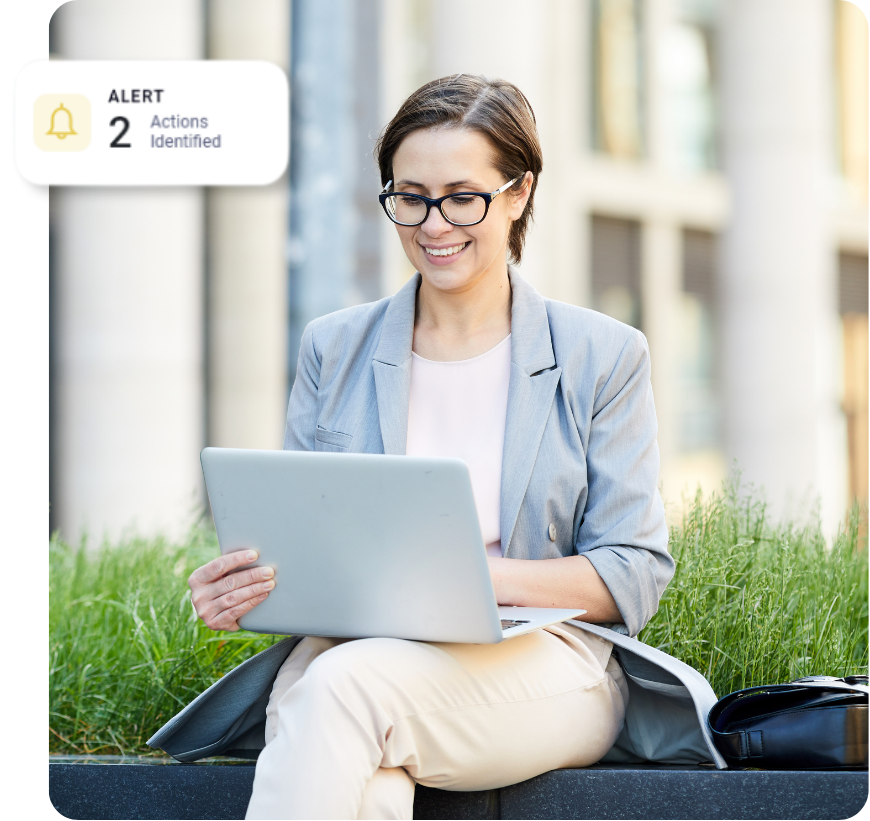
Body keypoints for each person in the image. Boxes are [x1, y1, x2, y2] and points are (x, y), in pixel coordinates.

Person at [185, 74, 676, 819]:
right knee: (365, 770)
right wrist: (248, 585)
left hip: (546, 664)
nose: (433, 223)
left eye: (462, 195)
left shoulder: (602, 355)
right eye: (409, 196)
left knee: (338, 692)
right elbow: (308, 537)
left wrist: (478, 575)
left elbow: (632, 572)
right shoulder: (335, 347)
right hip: (353, 653)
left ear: (517, 193)